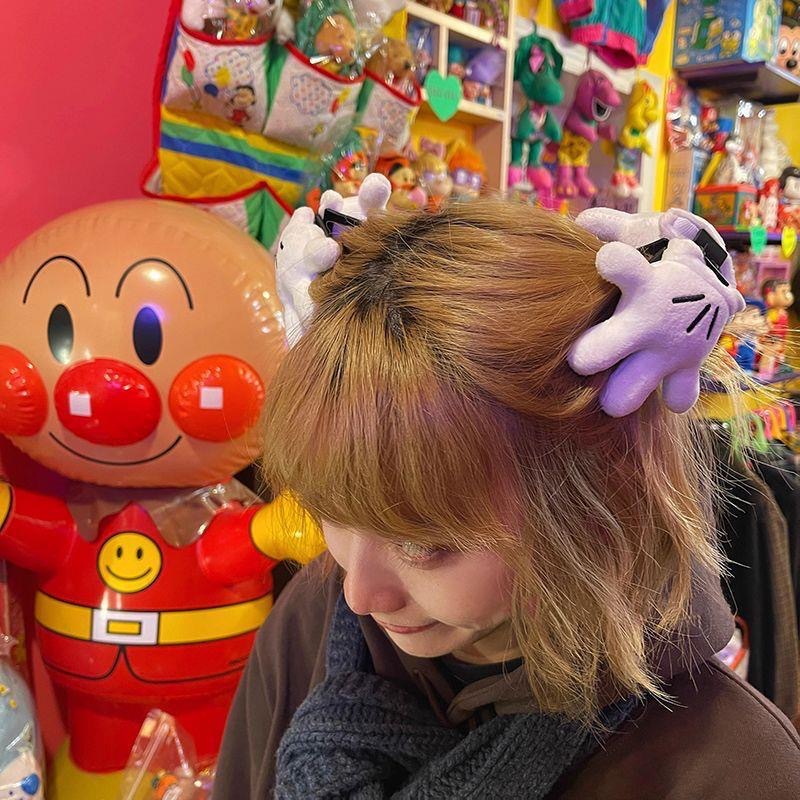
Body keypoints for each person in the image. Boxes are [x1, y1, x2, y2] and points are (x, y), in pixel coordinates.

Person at [214, 200, 800, 799]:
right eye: (331, 512)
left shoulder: (734, 770)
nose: (359, 595)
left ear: (591, 509)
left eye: (423, 545)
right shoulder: (308, 623)